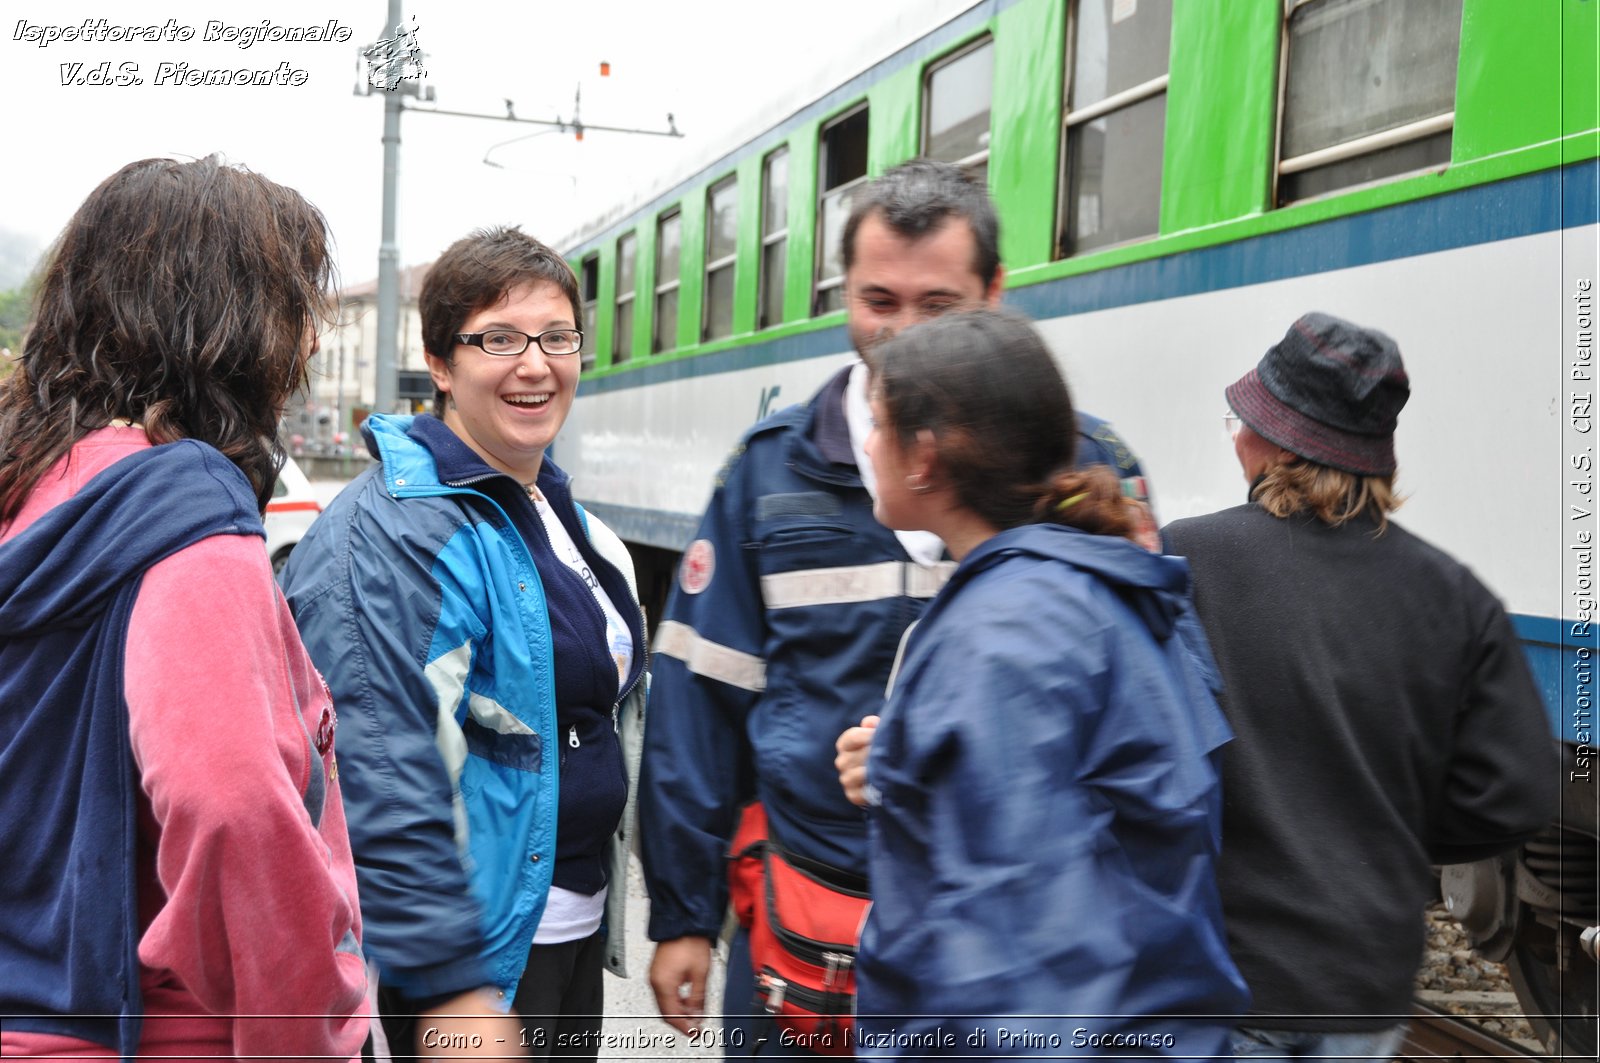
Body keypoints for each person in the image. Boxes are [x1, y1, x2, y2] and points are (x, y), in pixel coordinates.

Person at [640, 158, 1153, 1051]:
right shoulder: (769, 472)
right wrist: (683, 915)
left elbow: (1148, 712)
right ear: (845, 292)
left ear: (996, 291)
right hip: (809, 939)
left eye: (938, 305)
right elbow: (699, 700)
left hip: (1009, 949)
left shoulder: (1092, 468)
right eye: (880, 300)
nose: (905, 335)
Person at [0, 156, 368, 1060]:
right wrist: (303, 1037)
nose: (309, 347)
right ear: (226, 323)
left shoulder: (28, 486)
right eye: (293, 310)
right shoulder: (185, 511)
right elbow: (231, 802)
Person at [280, 227, 648, 1060]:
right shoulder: (394, 534)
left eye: (558, 338)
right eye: (499, 339)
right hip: (470, 968)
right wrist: (452, 985)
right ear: (441, 364)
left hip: (562, 936)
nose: (535, 363)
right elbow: (379, 765)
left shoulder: (556, 511)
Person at [848, 308, 1246, 1057]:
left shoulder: (1002, 636)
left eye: (877, 424)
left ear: (924, 457)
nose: (867, 445)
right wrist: (901, 764)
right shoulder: (1101, 588)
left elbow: (1022, 954)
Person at [1162, 312, 1559, 1061]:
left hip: (1224, 971)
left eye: (1242, 421)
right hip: (1363, 986)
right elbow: (1520, 789)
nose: (1235, 435)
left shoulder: (1189, 557)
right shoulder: (1452, 593)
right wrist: (1393, 831)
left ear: (1274, 444)